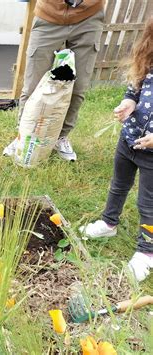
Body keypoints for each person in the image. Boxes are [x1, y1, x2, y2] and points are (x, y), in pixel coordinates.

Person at [79, 17, 153, 282]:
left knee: (148, 204)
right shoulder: (148, 59)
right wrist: (127, 104)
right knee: (118, 185)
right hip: (129, 140)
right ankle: (109, 223)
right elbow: (134, 89)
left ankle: (147, 252)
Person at [4, 0, 104, 161]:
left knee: (78, 88)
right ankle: (23, 136)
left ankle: (61, 137)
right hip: (48, 16)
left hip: (89, 18)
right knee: (32, 86)